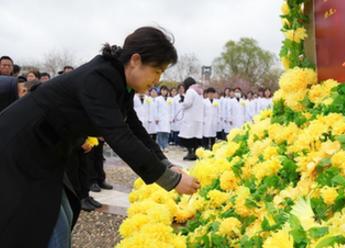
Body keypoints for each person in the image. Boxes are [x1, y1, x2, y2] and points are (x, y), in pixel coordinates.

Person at [0, 26, 200, 248]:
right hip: (19, 150)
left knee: (62, 215)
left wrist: (166, 164)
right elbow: (119, 136)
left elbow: (134, 128)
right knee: (44, 225)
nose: (158, 79)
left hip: (45, 154)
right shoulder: (99, 77)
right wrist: (171, 180)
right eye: (157, 70)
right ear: (135, 60)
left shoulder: (120, 83)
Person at [178, 77, 204, 160]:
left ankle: (190, 153)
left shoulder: (190, 91)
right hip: (198, 118)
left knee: (187, 137)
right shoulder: (199, 92)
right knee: (196, 137)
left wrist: (183, 101)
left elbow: (187, 104)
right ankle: (195, 153)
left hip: (190, 118)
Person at [155, 85, 172, 151]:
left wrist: (171, 118)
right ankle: (160, 146)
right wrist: (156, 117)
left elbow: (171, 109)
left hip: (167, 119)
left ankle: (165, 146)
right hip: (160, 118)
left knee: (166, 133)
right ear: (160, 91)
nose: (164, 91)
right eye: (163, 90)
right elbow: (155, 109)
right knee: (160, 133)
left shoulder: (170, 99)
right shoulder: (157, 99)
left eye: (165, 90)